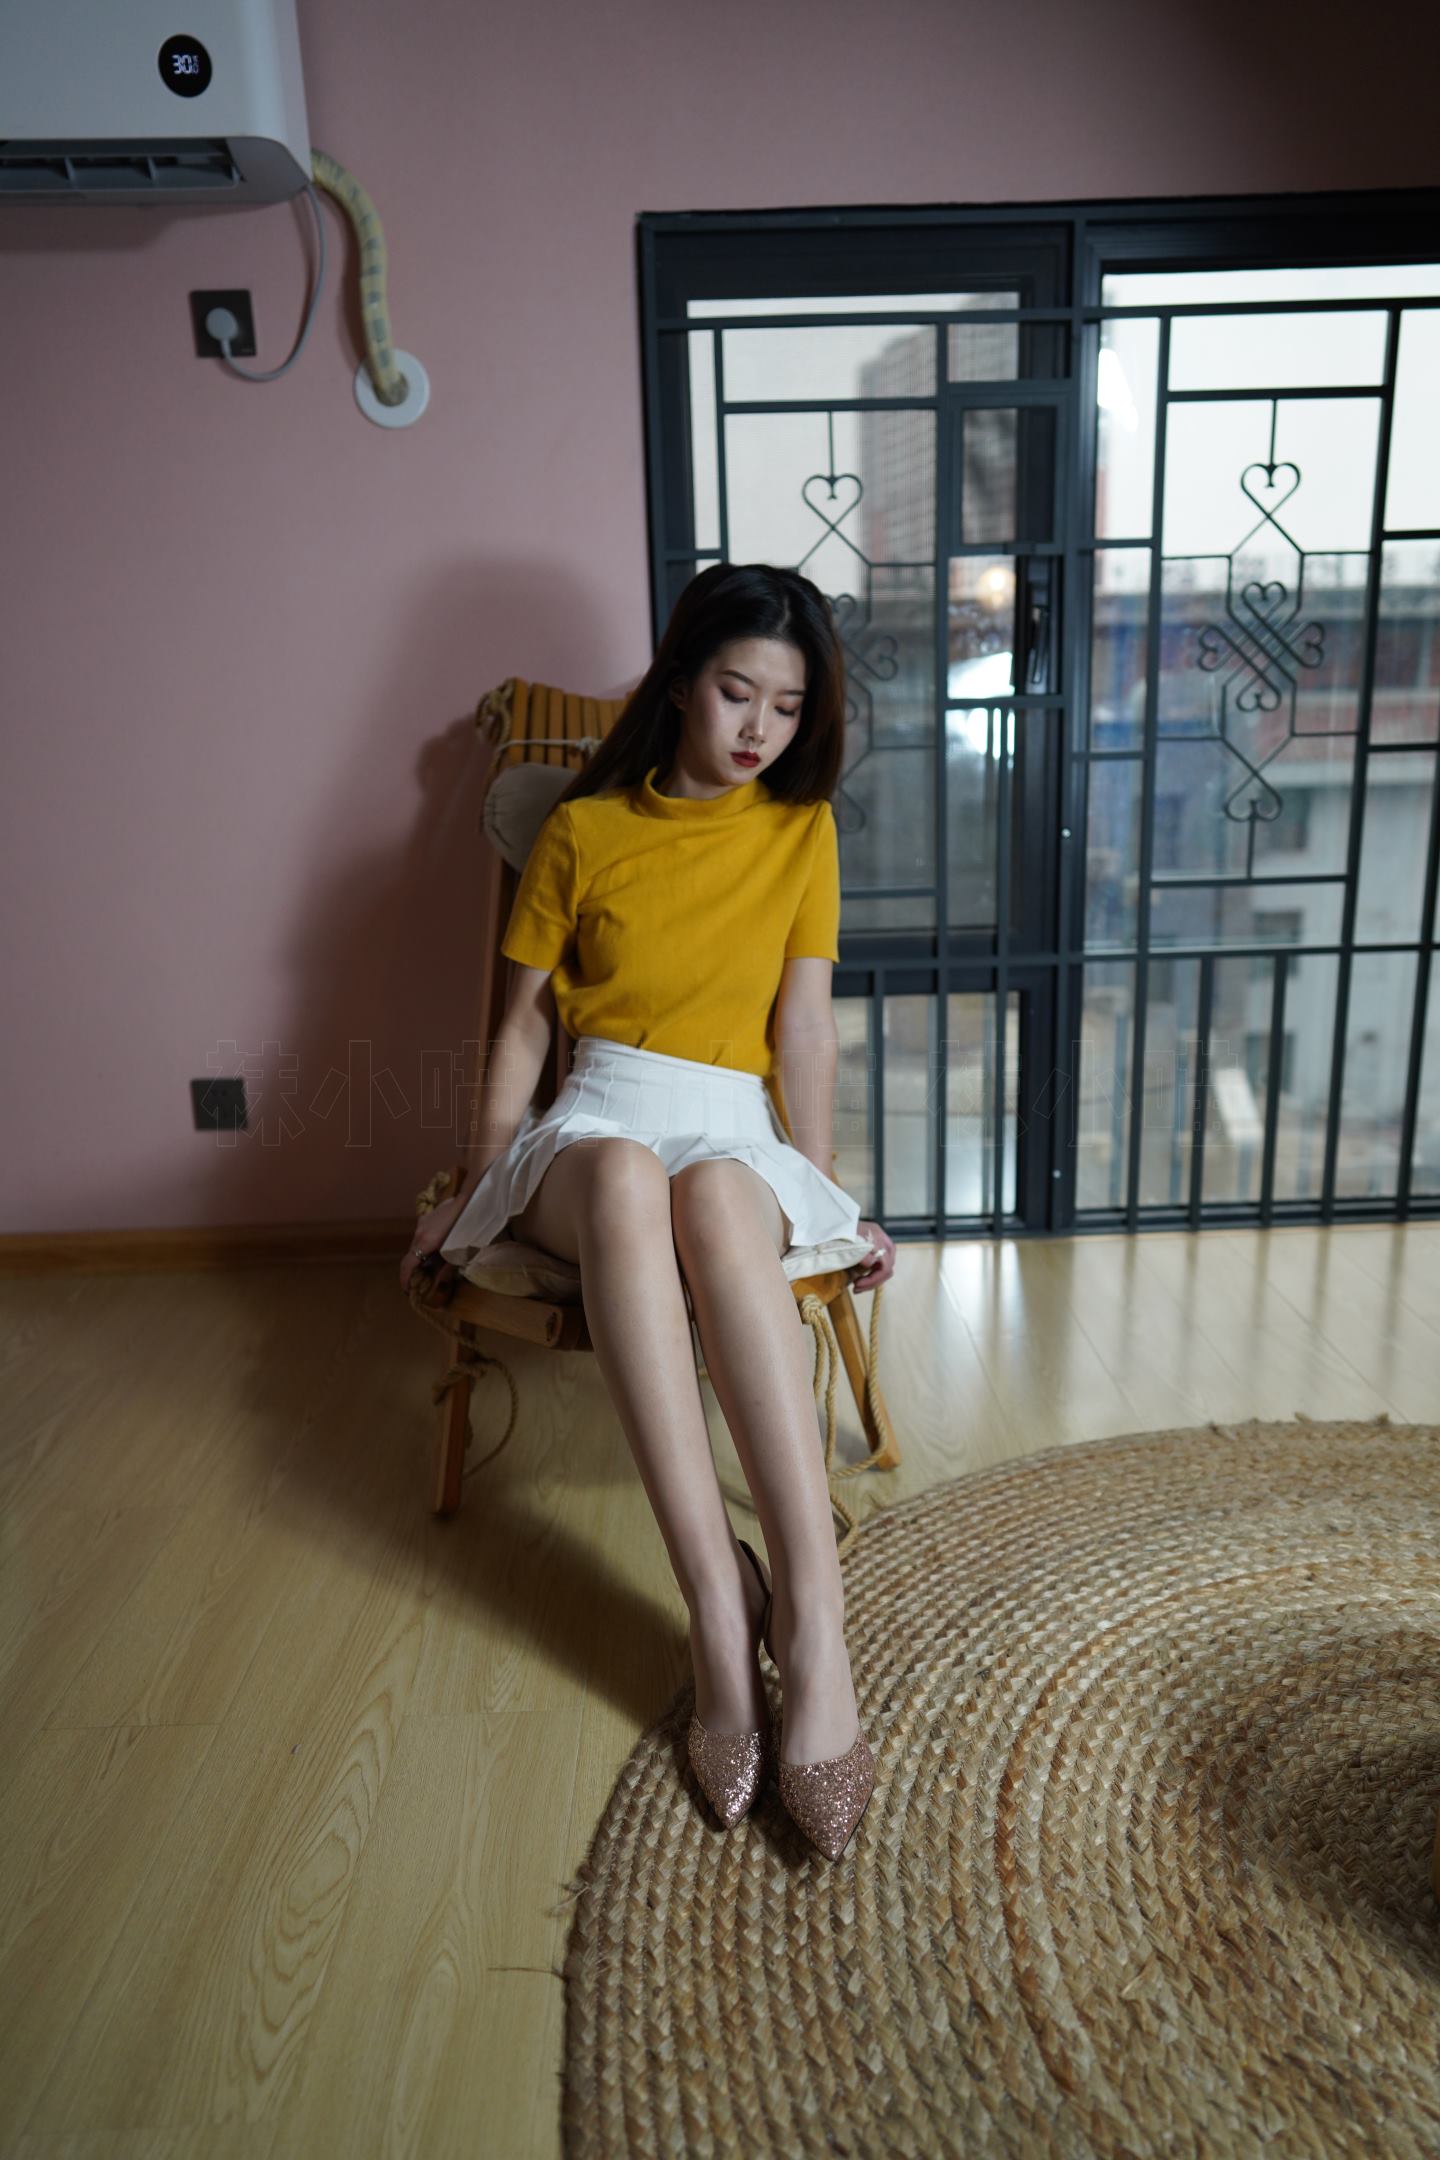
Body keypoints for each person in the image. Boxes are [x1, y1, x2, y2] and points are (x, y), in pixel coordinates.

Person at [400, 563, 895, 1861]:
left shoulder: (800, 832)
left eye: (788, 706)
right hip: (595, 1122)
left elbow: (804, 1032)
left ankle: (813, 1623)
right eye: (737, 692)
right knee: (629, 1177)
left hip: (733, 1123)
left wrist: (824, 1197)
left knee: (721, 1197)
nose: (759, 728)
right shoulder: (582, 830)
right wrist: (472, 1187)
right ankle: (718, 1614)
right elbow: (520, 1034)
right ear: (679, 683)